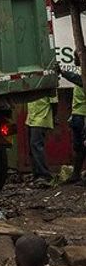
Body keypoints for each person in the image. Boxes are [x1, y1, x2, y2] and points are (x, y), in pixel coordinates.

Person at [61, 54, 86, 184]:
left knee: (82, 146)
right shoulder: (81, 71)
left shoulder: (83, 75)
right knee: (78, 147)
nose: (74, 59)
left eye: (76, 56)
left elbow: (78, 80)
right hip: (78, 115)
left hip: (83, 115)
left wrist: (63, 73)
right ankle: (76, 175)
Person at [25, 95, 56, 185]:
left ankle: (44, 175)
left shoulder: (49, 86)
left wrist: (53, 118)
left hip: (41, 118)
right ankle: (36, 174)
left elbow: (54, 104)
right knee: (33, 148)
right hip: (31, 119)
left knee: (36, 146)